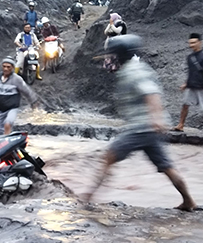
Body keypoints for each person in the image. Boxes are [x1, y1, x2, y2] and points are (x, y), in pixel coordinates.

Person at [79, 35, 196, 211]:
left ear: (121, 54)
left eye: (113, 54)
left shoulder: (133, 71)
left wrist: (156, 117)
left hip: (141, 128)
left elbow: (151, 93)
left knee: (108, 156)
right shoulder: (136, 67)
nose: (110, 57)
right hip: (149, 128)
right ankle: (188, 201)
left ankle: (87, 197)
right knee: (167, 167)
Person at [0, 57, 39, 135]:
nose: (6, 69)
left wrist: (33, 101)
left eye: (8, 67)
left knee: (7, 124)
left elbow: (26, 91)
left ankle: (7, 143)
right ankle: (2, 143)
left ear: (12, 67)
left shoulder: (16, 79)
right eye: (4, 66)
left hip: (12, 108)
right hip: (1, 109)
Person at [172, 33, 203, 135]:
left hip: (202, 86)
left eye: (194, 42)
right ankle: (180, 125)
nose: (191, 45)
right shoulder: (190, 57)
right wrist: (186, 83)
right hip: (191, 85)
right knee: (185, 105)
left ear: (199, 42)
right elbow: (191, 72)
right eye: (190, 43)